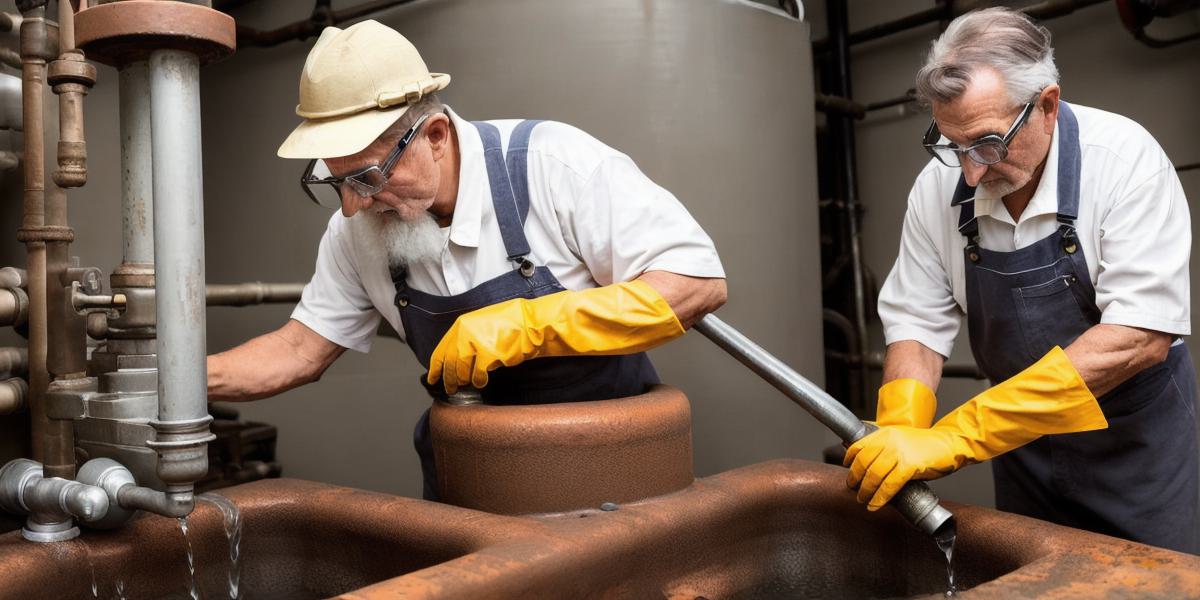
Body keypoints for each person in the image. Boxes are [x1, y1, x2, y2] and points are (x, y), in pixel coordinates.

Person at [206, 20, 727, 499]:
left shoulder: (552, 164)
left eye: (367, 177)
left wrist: (532, 324)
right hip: (473, 478)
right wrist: (176, 383)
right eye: (334, 182)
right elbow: (298, 351)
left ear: (433, 136)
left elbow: (696, 283)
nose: (351, 205)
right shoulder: (355, 229)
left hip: (607, 469)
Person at [844, 7, 1197, 553]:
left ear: (1047, 106)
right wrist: (904, 427)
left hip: (1137, 456)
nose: (970, 172)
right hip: (1023, 456)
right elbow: (916, 319)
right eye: (951, 144)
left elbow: (1138, 337)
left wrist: (957, 437)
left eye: (987, 144)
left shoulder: (1124, 160)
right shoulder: (939, 184)